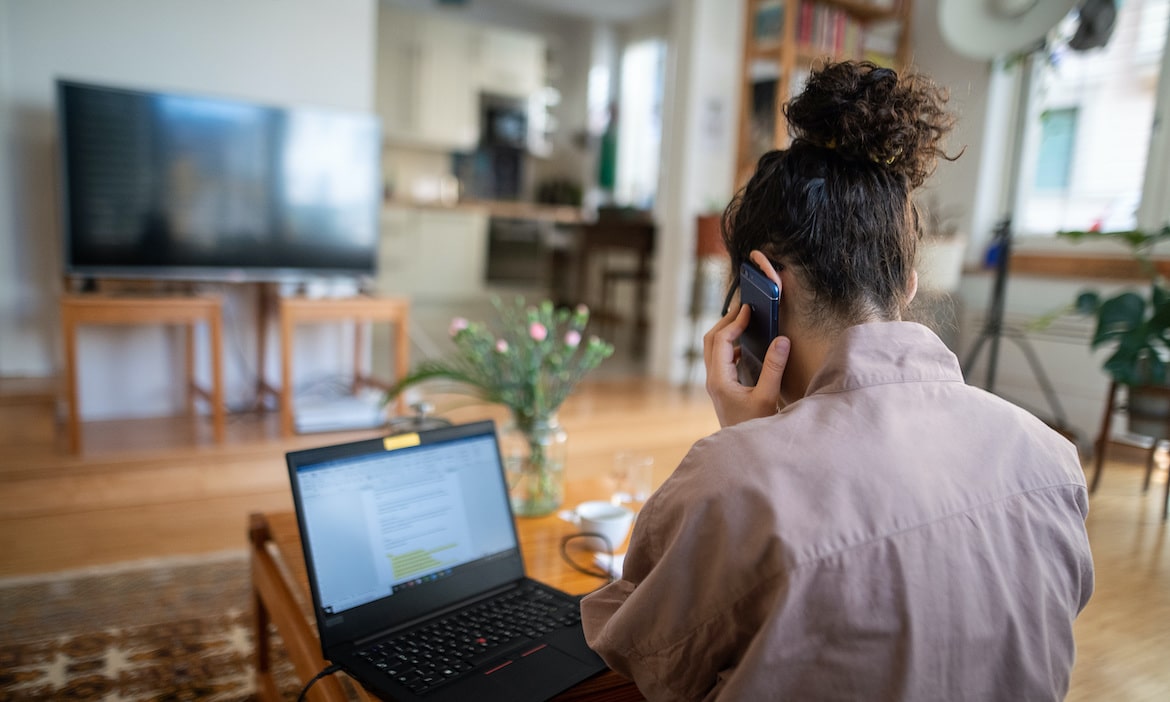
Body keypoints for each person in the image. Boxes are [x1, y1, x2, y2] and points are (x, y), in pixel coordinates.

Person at [580, 60, 1094, 701]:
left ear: (761, 285)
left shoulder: (731, 485)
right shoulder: (1052, 460)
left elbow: (635, 649)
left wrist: (750, 450)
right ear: (907, 283)